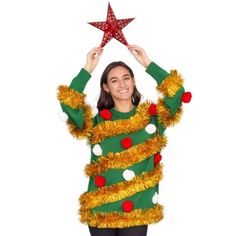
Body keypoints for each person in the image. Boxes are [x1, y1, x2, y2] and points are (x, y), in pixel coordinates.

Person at [57, 45, 191, 236]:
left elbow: (176, 92)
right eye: (114, 80)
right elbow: (68, 104)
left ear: (133, 81)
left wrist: (147, 63)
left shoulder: (151, 117)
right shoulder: (96, 121)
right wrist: (87, 69)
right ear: (106, 87)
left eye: (126, 78)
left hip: (137, 210)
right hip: (101, 210)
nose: (122, 84)